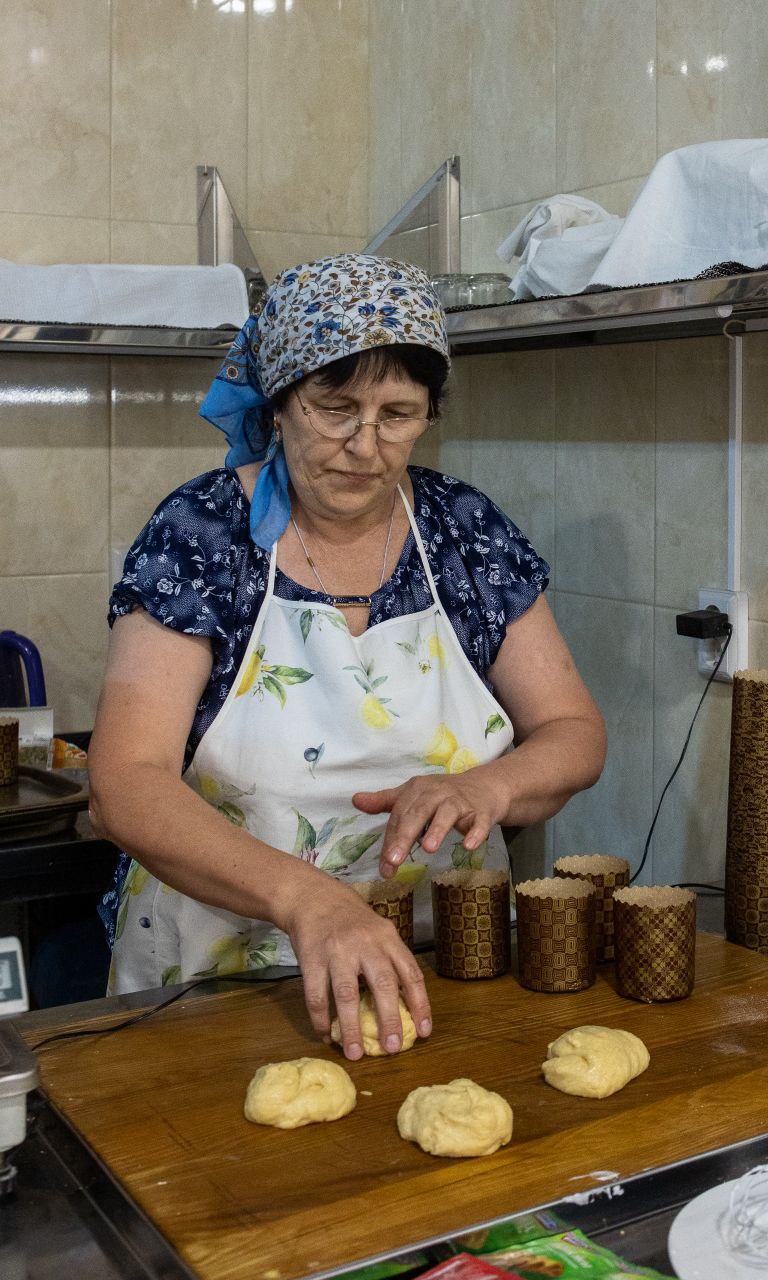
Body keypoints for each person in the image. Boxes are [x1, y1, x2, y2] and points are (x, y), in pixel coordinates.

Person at [89, 254, 606, 1061]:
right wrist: (310, 900)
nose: (365, 446)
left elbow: (573, 733)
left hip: (444, 968)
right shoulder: (202, 534)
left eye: (398, 414)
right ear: (278, 405)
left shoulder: (464, 530)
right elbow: (125, 781)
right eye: (334, 409)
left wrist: (485, 786)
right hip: (221, 978)